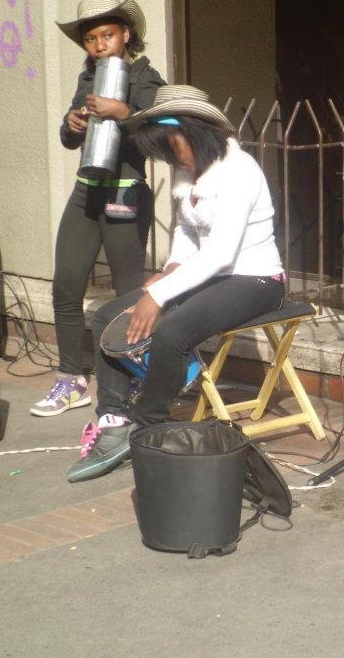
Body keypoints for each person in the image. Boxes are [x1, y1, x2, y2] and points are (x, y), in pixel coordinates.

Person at [66, 85, 286, 482]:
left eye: (172, 146)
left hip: (255, 279)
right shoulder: (194, 171)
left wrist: (158, 294)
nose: (171, 158)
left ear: (196, 132)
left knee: (170, 332)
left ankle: (147, 424)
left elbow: (220, 253)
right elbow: (188, 230)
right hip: (211, 275)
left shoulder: (239, 171)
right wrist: (171, 269)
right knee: (106, 317)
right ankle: (113, 417)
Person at [32, 0, 165, 418]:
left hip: (125, 192)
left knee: (128, 295)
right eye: (90, 39)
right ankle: (71, 380)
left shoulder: (146, 76)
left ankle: (127, 384)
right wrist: (71, 124)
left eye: (107, 35)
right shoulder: (88, 75)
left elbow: (157, 133)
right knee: (66, 284)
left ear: (126, 34)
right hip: (86, 190)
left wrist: (123, 111)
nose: (99, 45)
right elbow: (70, 140)